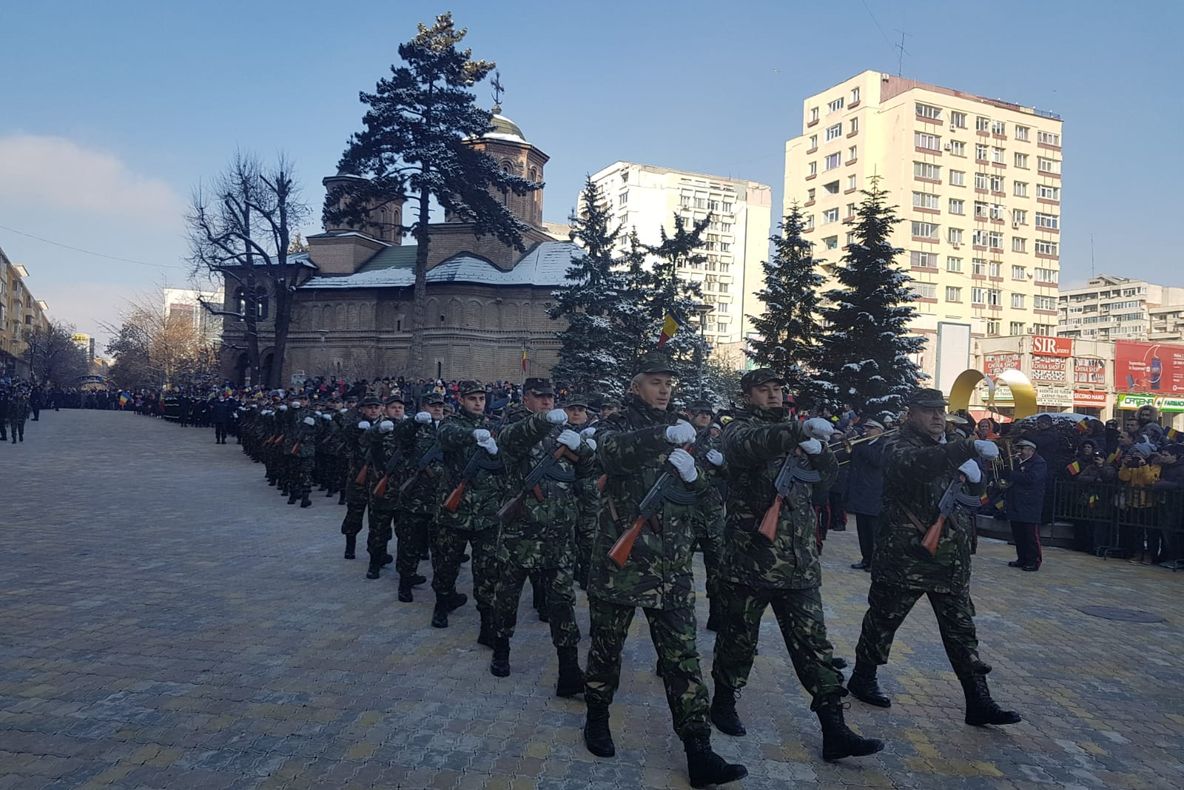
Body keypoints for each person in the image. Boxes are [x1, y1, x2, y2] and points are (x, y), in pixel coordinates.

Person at [582, 352, 747, 789]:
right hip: (622, 566)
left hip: (672, 569)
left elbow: (712, 489)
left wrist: (694, 476)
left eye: (669, 382)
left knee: (683, 661)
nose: (665, 389)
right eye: (656, 382)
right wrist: (662, 436)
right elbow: (612, 454)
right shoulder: (615, 426)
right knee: (605, 650)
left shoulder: (687, 433)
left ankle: (699, 750)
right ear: (636, 386)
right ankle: (597, 719)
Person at [709, 369, 883, 763]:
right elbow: (748, 447)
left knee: (815, 647)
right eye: (763, 390)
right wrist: (795, 432)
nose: (772, 395)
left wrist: (821, 456)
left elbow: (824, 485)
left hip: (799, 563)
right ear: (748, 395)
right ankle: (723, 701)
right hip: (750, 559)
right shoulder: (739, 429)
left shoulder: (795, 434)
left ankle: (833, 726)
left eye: (777, 389)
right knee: (738, 639)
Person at [849, 387, 1021, 728]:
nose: (937, 417)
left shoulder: (950, 443)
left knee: (962, 631)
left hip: (950, 559)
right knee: (883, 622)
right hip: (906, 557)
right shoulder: (898, 444)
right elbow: (914, 467)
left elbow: (973, 495)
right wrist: (963, 449)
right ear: (910, 413)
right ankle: (863, 677)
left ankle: (978, 699)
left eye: (940, 411)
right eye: (928, 411)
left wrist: (976, 477)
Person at [488, 377, 594, 693]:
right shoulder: (515, 426)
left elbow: (586, 473)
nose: (547, 402)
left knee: (562, 602)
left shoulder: (563, 435)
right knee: (507, 595)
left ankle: (569, 670)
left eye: (550, 398)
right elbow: (512, 439)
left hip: (559, 534)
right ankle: (501, 650)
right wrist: (542, 421)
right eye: (540, 397)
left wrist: (585, 450)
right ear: (526, 399)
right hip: (521, 533)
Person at [432, 380, 505, 631]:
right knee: (447, 562)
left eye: (481, 399)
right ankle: (442, 605)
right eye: (472, 399)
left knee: (487, 569)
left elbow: (504, 465)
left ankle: (487, 621)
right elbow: (445, 436)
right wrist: (471, 435)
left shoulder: (494, 426)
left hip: (487, 512)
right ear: (461, 400)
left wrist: (498, 452)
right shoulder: (450, 423)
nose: (477, 403)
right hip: (456, 510)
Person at [340, 397, 383, 560]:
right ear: (362, 409)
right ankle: (349, 547)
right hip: (358, 478)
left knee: (378, 519)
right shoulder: (355, 425)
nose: (373, 410)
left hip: (379, 479)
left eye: (376, 407)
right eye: (369, 407)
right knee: (354, 515)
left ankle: (376, 553)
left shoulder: (387, 426)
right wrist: (357, 428)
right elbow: (345, 433)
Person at [846, 419, 887, 572]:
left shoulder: (883, 445)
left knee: (873, 531)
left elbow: (878, 461)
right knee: (862, 530)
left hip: (874, 493)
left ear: (880, 430)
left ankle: (874, 562)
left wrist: (860, 446)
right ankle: (866, 558)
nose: (867, 430)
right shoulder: (862, 444)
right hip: (860, 491)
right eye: (866, 427)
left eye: (871, 428)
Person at [1002, 439, 1047, 571]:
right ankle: (1022, 558)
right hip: (1016, 501)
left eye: (1023, 449)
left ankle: (1034, 560)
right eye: (1019, 449)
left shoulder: (1039, 463)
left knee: (1031, 535)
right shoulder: (1016, 462)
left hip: (1030, 503)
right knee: (1018, 533)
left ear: (1031, 450)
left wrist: (1013, 475)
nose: (1020, 452)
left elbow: (1032, 479)